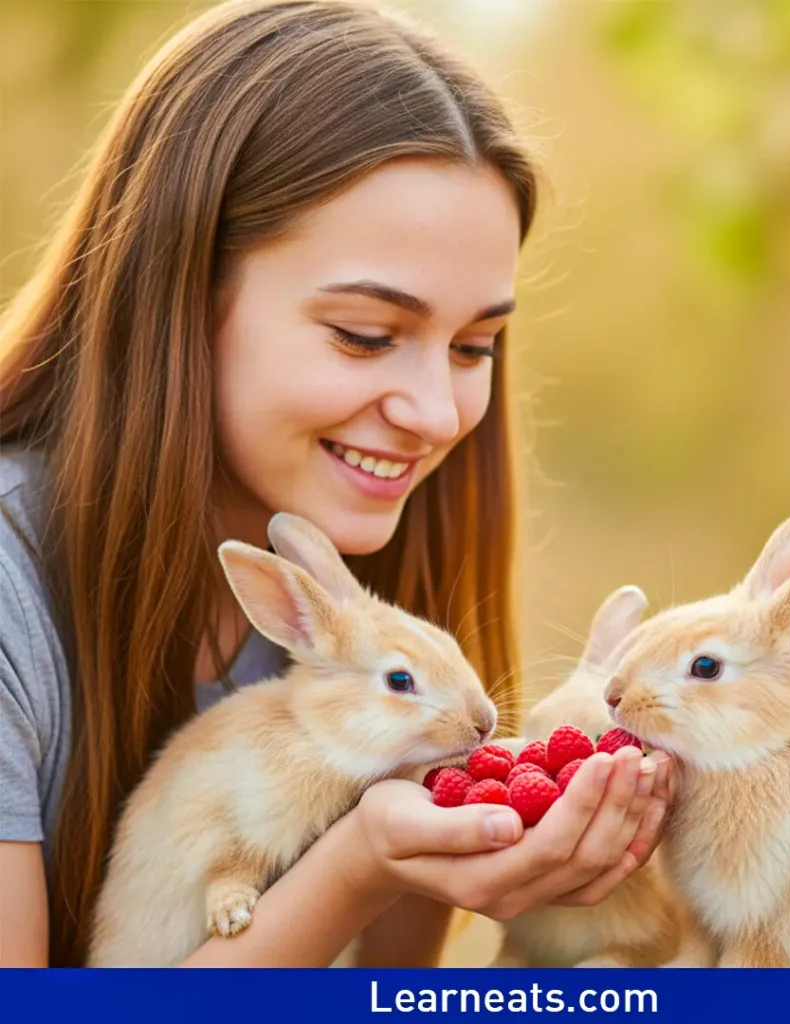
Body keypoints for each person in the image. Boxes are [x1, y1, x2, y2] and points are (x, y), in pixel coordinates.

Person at [0, 0, 673, 967]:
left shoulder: (377, 579)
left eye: (475, 345)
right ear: (181, 295)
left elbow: (386, 990)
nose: (438, 415)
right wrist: (358, 866)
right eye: (364, 335)